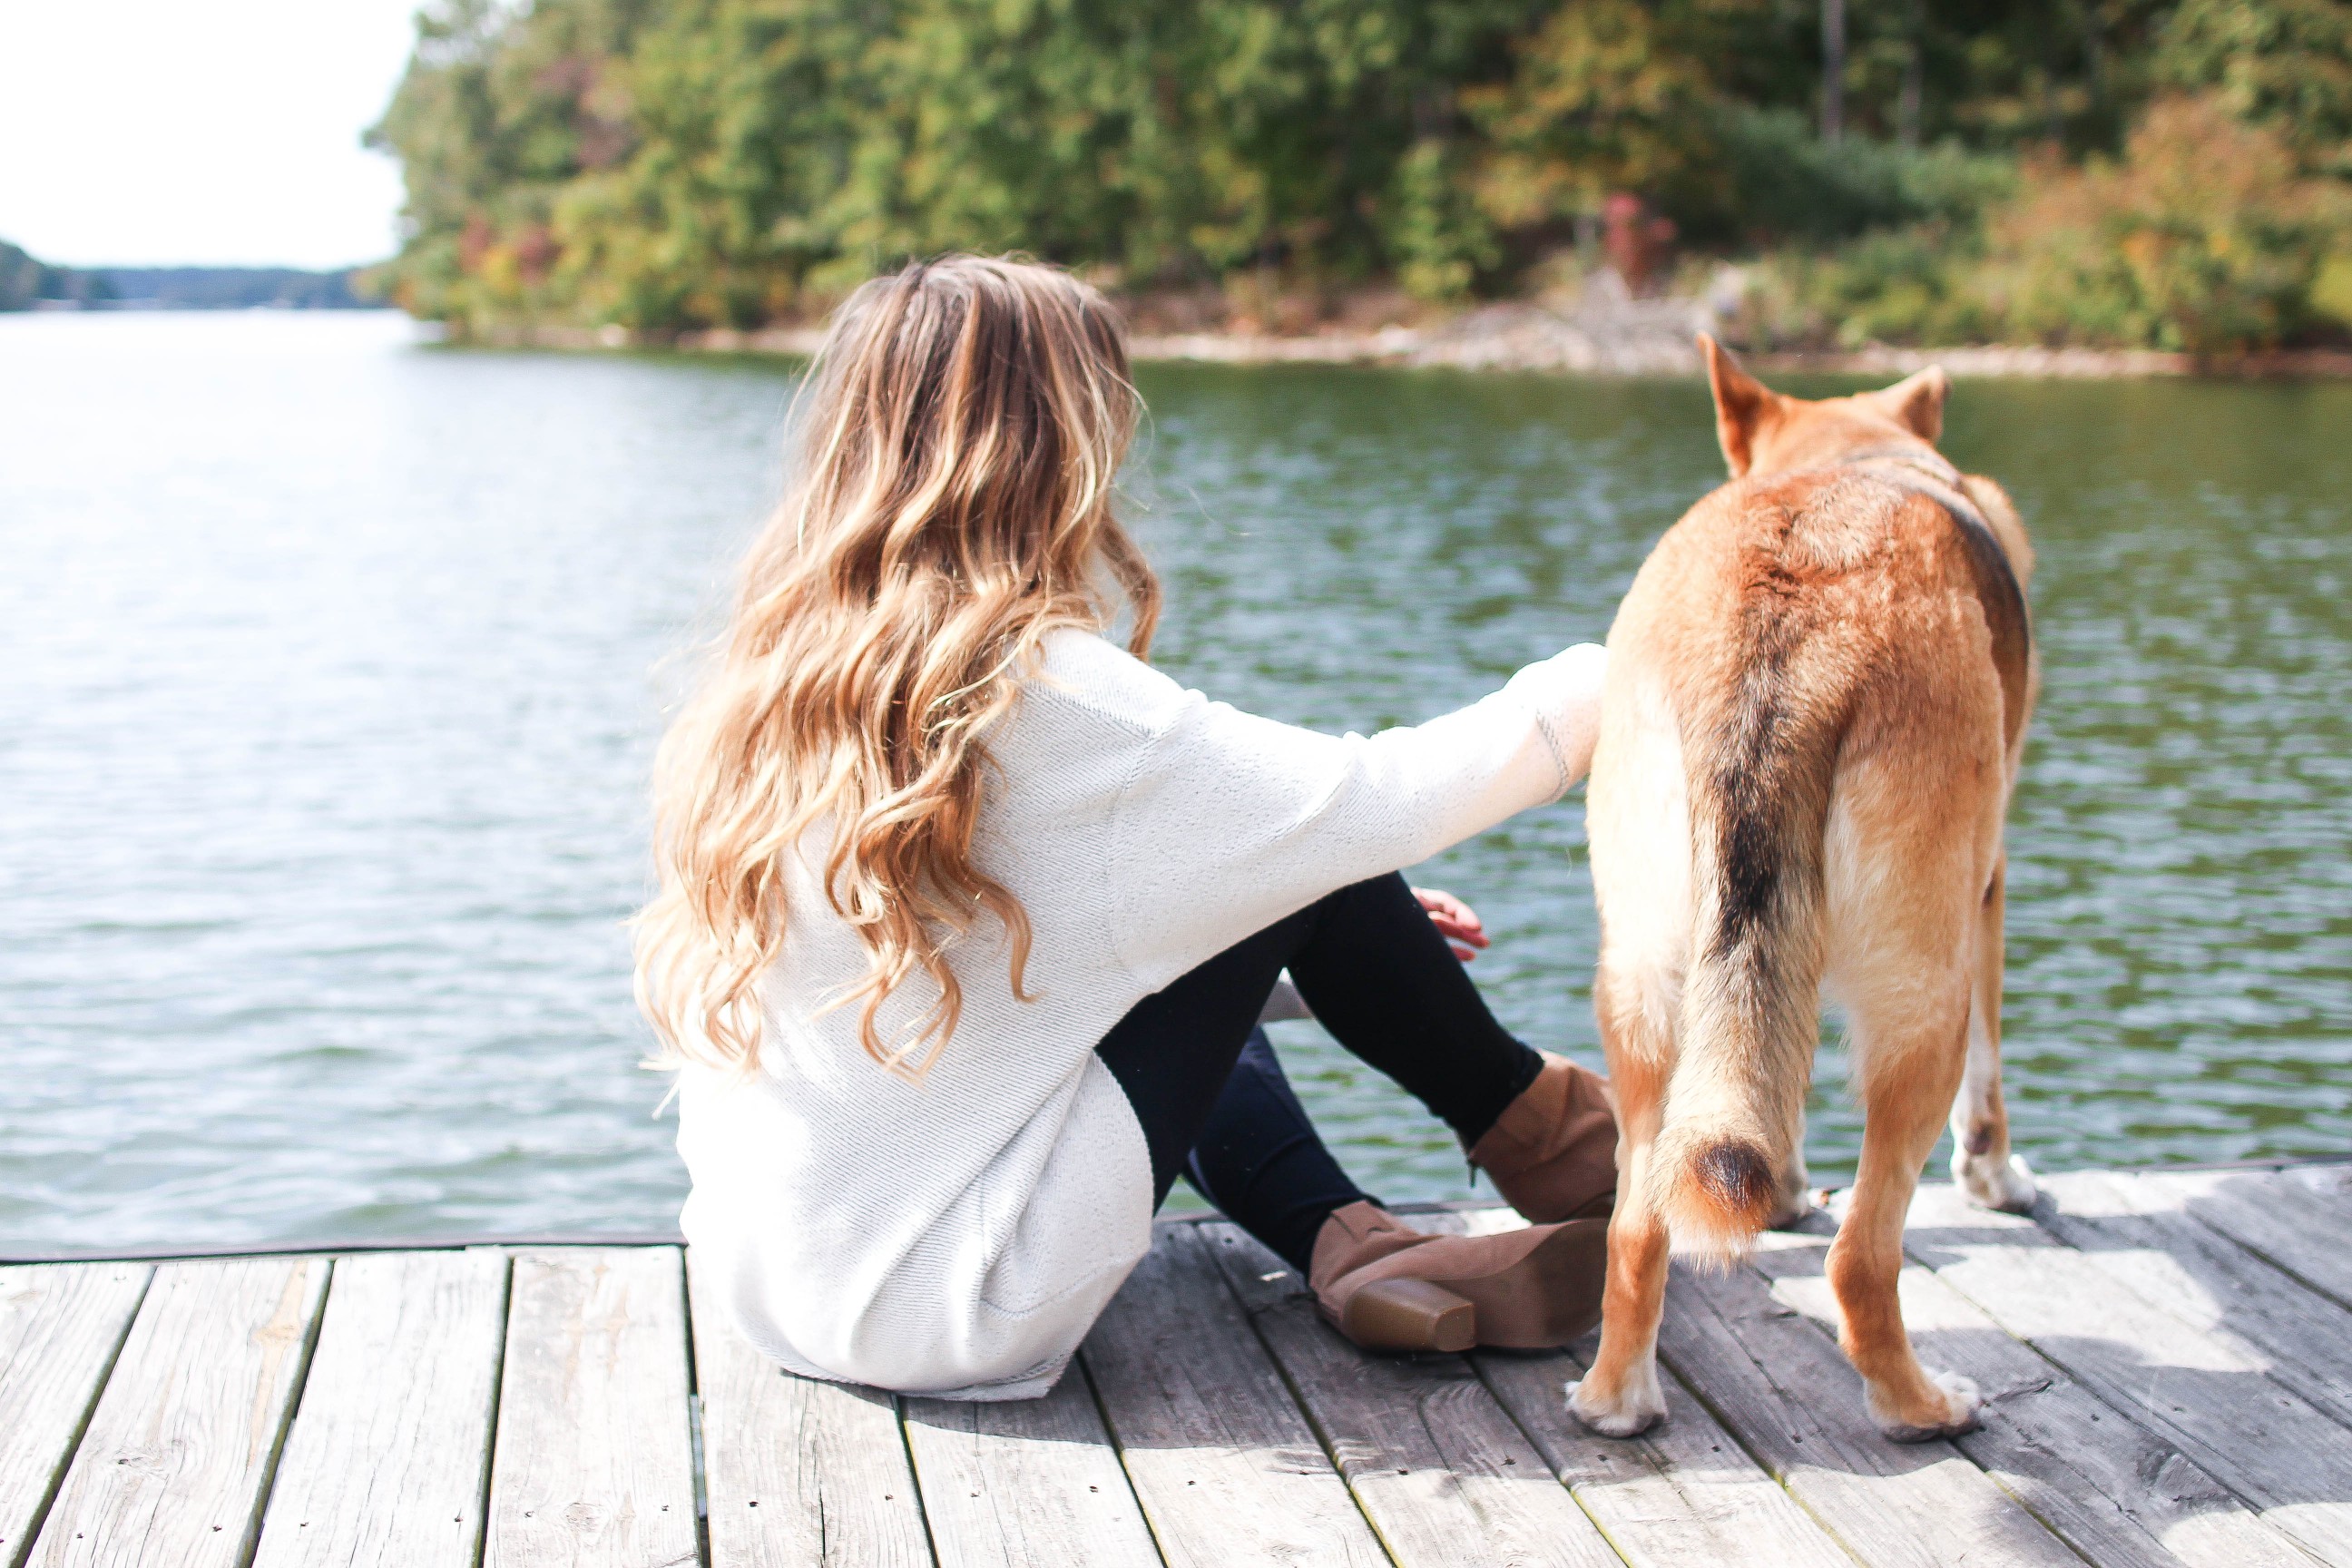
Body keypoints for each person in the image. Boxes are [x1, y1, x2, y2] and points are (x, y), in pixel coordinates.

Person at [635, 255, 1620, 1402]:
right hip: (955, 1310)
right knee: (1288, 854)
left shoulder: (766, 690)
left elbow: (973, 994)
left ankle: (1349, 1243)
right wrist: (1640, 655)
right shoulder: (1053, 699)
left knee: (1227, 877)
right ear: (1062, 444)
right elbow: (1373, 802)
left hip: (771, 1290)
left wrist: (1289, 979)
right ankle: (1555, 1140)